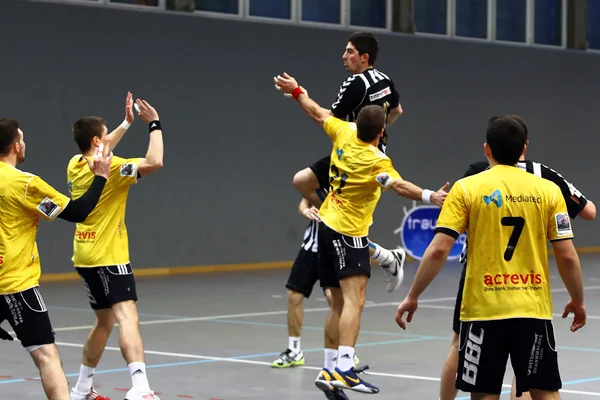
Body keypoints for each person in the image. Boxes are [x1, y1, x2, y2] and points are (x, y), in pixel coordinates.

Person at [274, 72, 448, 398]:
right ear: (382, 132)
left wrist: (297, 90)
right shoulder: (376, 161)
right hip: (349, 233)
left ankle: (328, 369)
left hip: (324, 226)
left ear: (356, 122)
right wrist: (430, 196)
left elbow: (317, 112)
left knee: (338, 304)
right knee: (356, 301)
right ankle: (343, 369)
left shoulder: (342, 132)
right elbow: (398, 186)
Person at [396, 117, 587, 400]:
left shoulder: (466, 188)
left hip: (482, 311)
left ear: (487, 149)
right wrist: (578, 300)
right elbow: (568, 256)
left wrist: (412, 295)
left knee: (484, 393)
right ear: (524, 148)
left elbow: (438, 249)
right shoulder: (548, 191)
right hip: (531, 309)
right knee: (545, 391)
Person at [0, 117, 112, 400]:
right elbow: (77, 212)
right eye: (22, 139)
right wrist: (100, 177)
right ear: (16, 146)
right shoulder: (26, 185)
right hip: (15, 284)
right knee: (47, 356)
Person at [289, 31, 406, 290]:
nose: (344, 56)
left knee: (340, 222)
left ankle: (384, 256)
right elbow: (397, 111)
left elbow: (325, 117)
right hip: (369, 155)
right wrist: (378, 137)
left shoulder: (355, 84)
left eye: (350, 51)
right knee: (302, 181)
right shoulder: (385, 80)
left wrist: (299, 94)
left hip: (353, 160)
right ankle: (386, 256)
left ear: (364, 58)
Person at [67, 97, 164, 400]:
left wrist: (125, 124)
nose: (110, 138)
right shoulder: (115, 170)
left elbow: (103, 147)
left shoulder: (75, 164)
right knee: (127, 318)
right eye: (106, 133)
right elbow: (154, 162)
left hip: (83, 255)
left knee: (104, 320)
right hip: (109, 256)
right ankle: (140, 388)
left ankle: (82, 387)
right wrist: (154, 124)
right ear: (97, 140)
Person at [271, 195, 358, 371]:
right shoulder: (318, 181)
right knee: (293, 294)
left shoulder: (347, 184)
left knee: (335, 299)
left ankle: (344, 350)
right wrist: (306, 210)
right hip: (310, 249)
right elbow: (304, 201)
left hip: (334, 250)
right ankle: (294, 351)